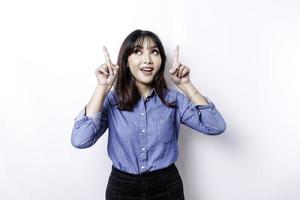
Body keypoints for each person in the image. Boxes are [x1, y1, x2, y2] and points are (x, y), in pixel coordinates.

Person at [71, 29, 226, 200]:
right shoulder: (112, 101)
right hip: (122, 188)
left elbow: (216, 126)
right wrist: (102, 88)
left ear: (161, 61)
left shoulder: (174, 100)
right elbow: (80, 140)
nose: (147, 60)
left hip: (166, 186)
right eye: (138, 51)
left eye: (154, 52)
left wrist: (186, 84)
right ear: (126, 62)